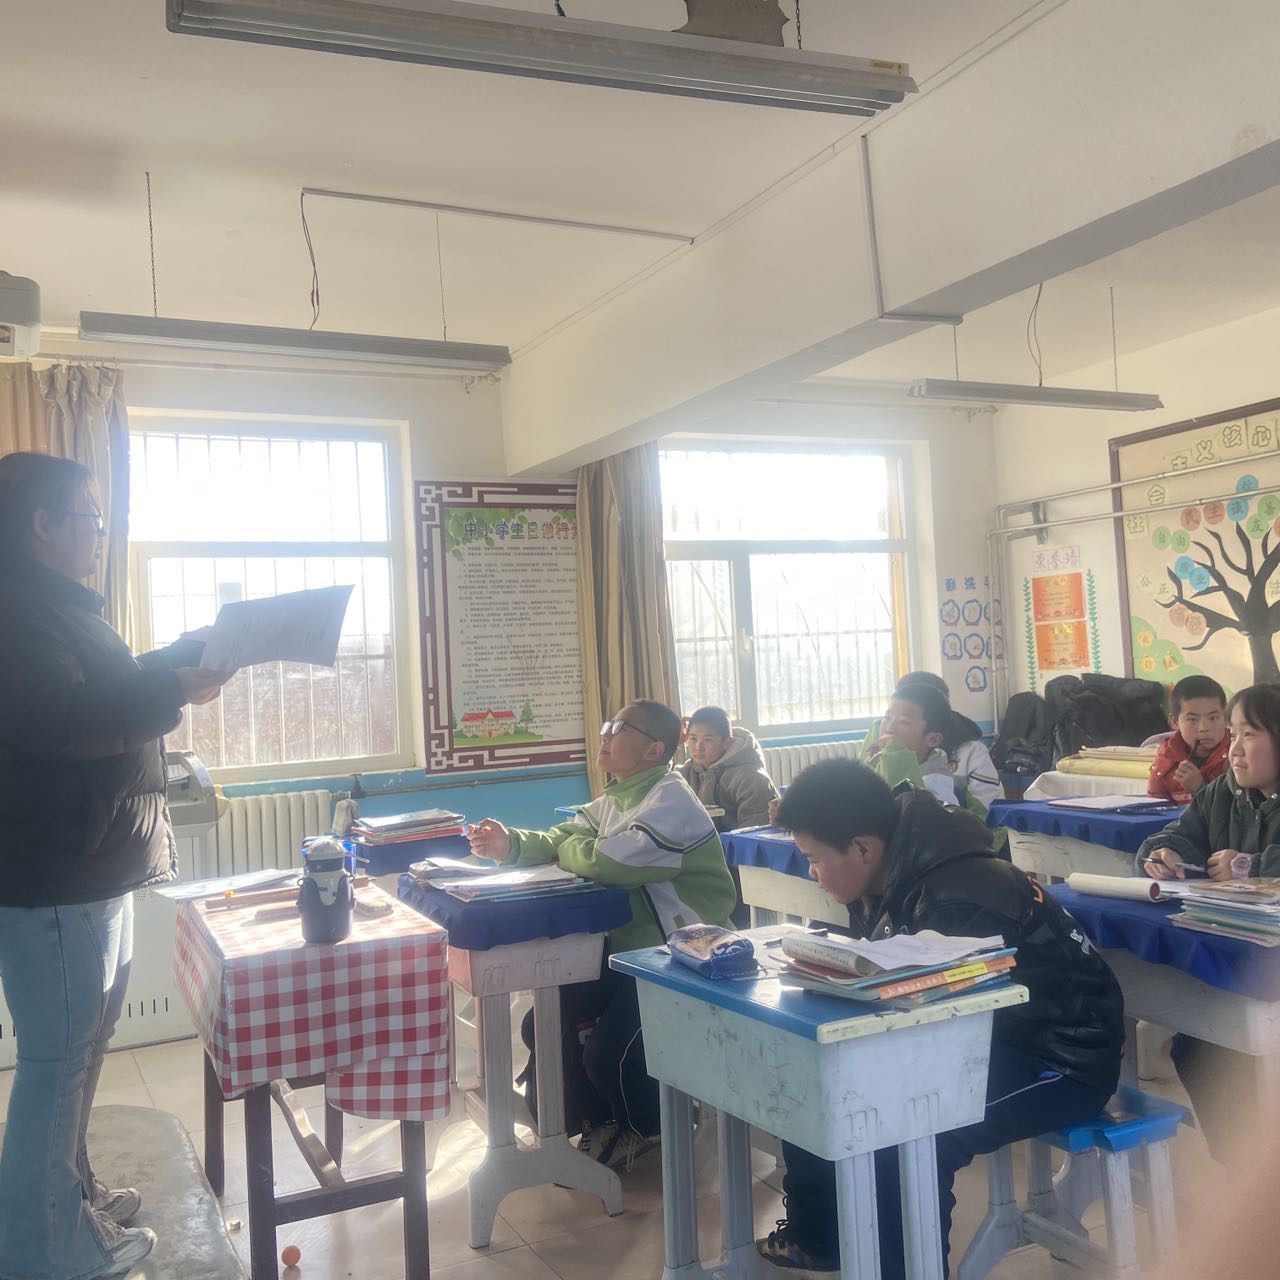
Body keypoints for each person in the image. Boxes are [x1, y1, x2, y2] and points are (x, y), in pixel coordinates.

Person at [0, 452, 228, 1279]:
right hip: (56, 879)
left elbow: (109, 687)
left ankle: (71, 1204)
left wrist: (182, 658)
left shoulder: (59, 608)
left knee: (80, 1058)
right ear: (43, 524)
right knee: (56, 1068)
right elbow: (67, 721)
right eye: (91, 518)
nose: (101, 533)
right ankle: (43, 1252)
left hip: (91, 870)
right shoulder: (17, 613)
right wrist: (172, 689)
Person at [759, 759, 1123, 1278]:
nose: (812, 874)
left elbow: (938, 1023)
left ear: (862, 847)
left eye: (814, 860)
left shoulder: (957, 896)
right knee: (825, 1080)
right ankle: (820, 1239)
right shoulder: (894, 869)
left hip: (1061, 1057)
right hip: (990, 1035)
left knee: (910, 1128)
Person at [468, 699, 736, 1167]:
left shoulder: (671, 800)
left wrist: (573, 850)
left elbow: (610, 862)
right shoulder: (617, 798)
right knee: (546, 1023)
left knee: (610, 1050)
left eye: (619, 728)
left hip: (685, 955)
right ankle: (593, 1118)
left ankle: (649, 1125)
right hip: (629, 953)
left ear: (653, 750)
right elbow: (563, 837)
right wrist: (511, 843)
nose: (605, 735)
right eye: (608, 724)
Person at [1138, 683, 1280, 1163]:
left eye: (1250, 734)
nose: (1234, 749)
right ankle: (1244, 1172)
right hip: (1238, 963)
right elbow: (1176, 835)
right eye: (1233, 734)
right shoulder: (1222, 793)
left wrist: (1255, 865)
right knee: (1199, 1048)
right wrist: (1162, 853)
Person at [895, 671, 1002, 818]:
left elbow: (987, 812)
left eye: (904, 720)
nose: (891, 727)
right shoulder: (885, 754)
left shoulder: (971, 752)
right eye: (890, 715)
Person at [677, 705, 779, 831]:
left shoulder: (750, 777)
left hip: (735, 842)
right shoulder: (686, 772)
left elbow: (754, 832)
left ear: (728, 742)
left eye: (708, 740)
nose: (698, 747)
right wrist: (673, 744)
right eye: (693, 738)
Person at [860, 682, 959, 805]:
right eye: (887, 717)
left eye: (903, 722)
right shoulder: (879, 758)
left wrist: (896, 753)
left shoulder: (936, 785)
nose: (889, 728)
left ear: (932, 739)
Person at [1147, 674, 1230, 805]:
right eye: (1192, 719)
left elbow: (1240, 812)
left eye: (1213, 718)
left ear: (1225, 717)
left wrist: (1200, 788)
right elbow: (1156, 810)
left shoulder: (1238, 755)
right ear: (1175, 722)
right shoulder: (1166, 759)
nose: (1203, 728)